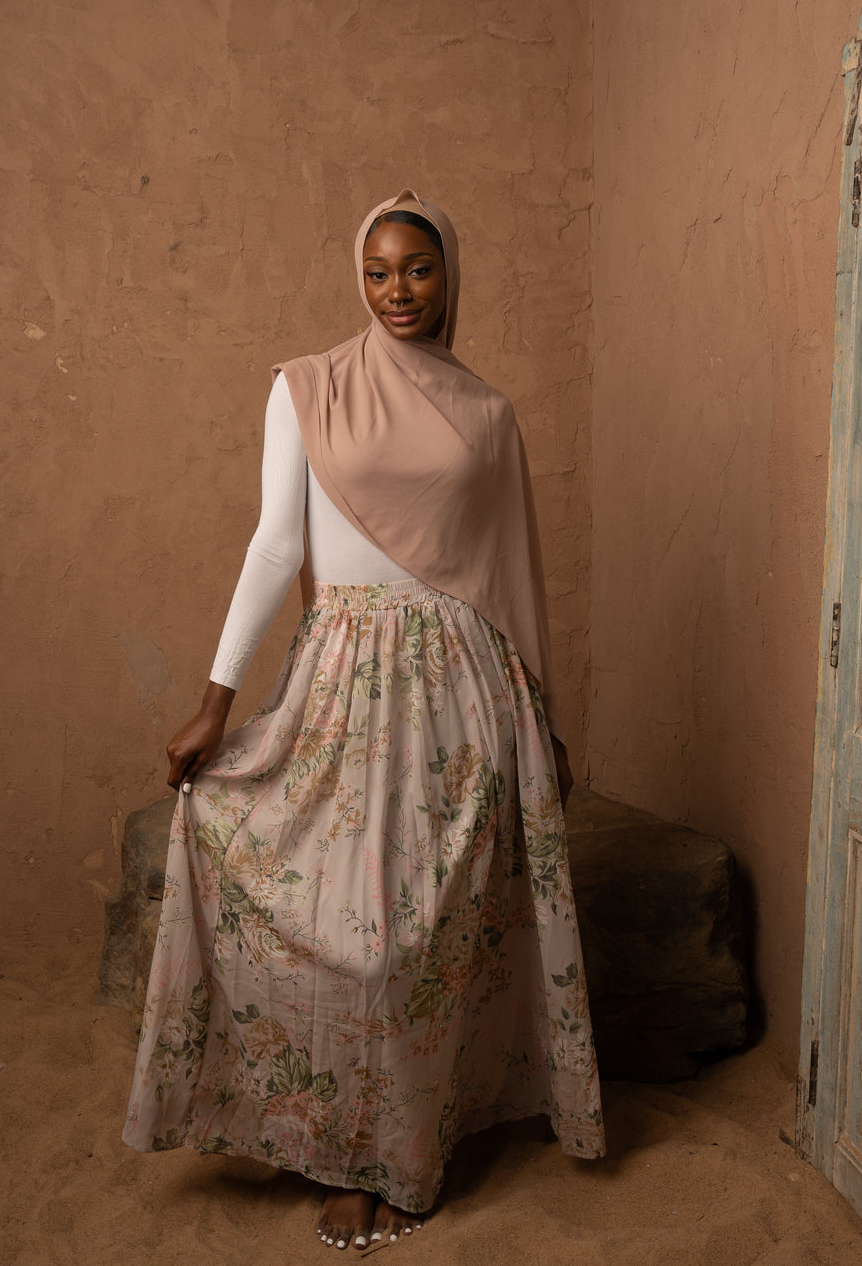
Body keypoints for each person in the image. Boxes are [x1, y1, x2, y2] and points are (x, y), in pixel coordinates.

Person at [123, 191, 604, 1250]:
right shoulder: (307, 389)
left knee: (425, 942)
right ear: (360, 276)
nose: (398, 290)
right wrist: (216, 699)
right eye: (379, 271)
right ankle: (344, 1149)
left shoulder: (487, 413)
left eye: (419, 269)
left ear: (448, 276)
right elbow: (271, 548)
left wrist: (547, 721)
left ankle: (404, 1152)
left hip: (466, 695)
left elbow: (513, 573)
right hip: (343, 683)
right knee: (348, 936)